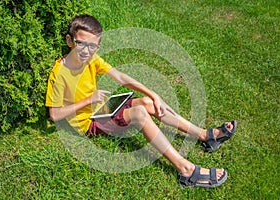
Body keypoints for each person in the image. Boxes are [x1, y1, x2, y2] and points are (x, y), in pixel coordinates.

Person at [45, 14, 237, 188]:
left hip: (102, 109)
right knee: (139, 113)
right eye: (81, 44)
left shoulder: (91, 59)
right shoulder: (60, 73)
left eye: (93, 46)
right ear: (70, 41)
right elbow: (54, 114)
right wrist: (88, 100)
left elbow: (120, 77)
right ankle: (186, 170)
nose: (87, 51)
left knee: (148, 103)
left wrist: (153, 93)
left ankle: (204, 135)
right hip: (89, 123)